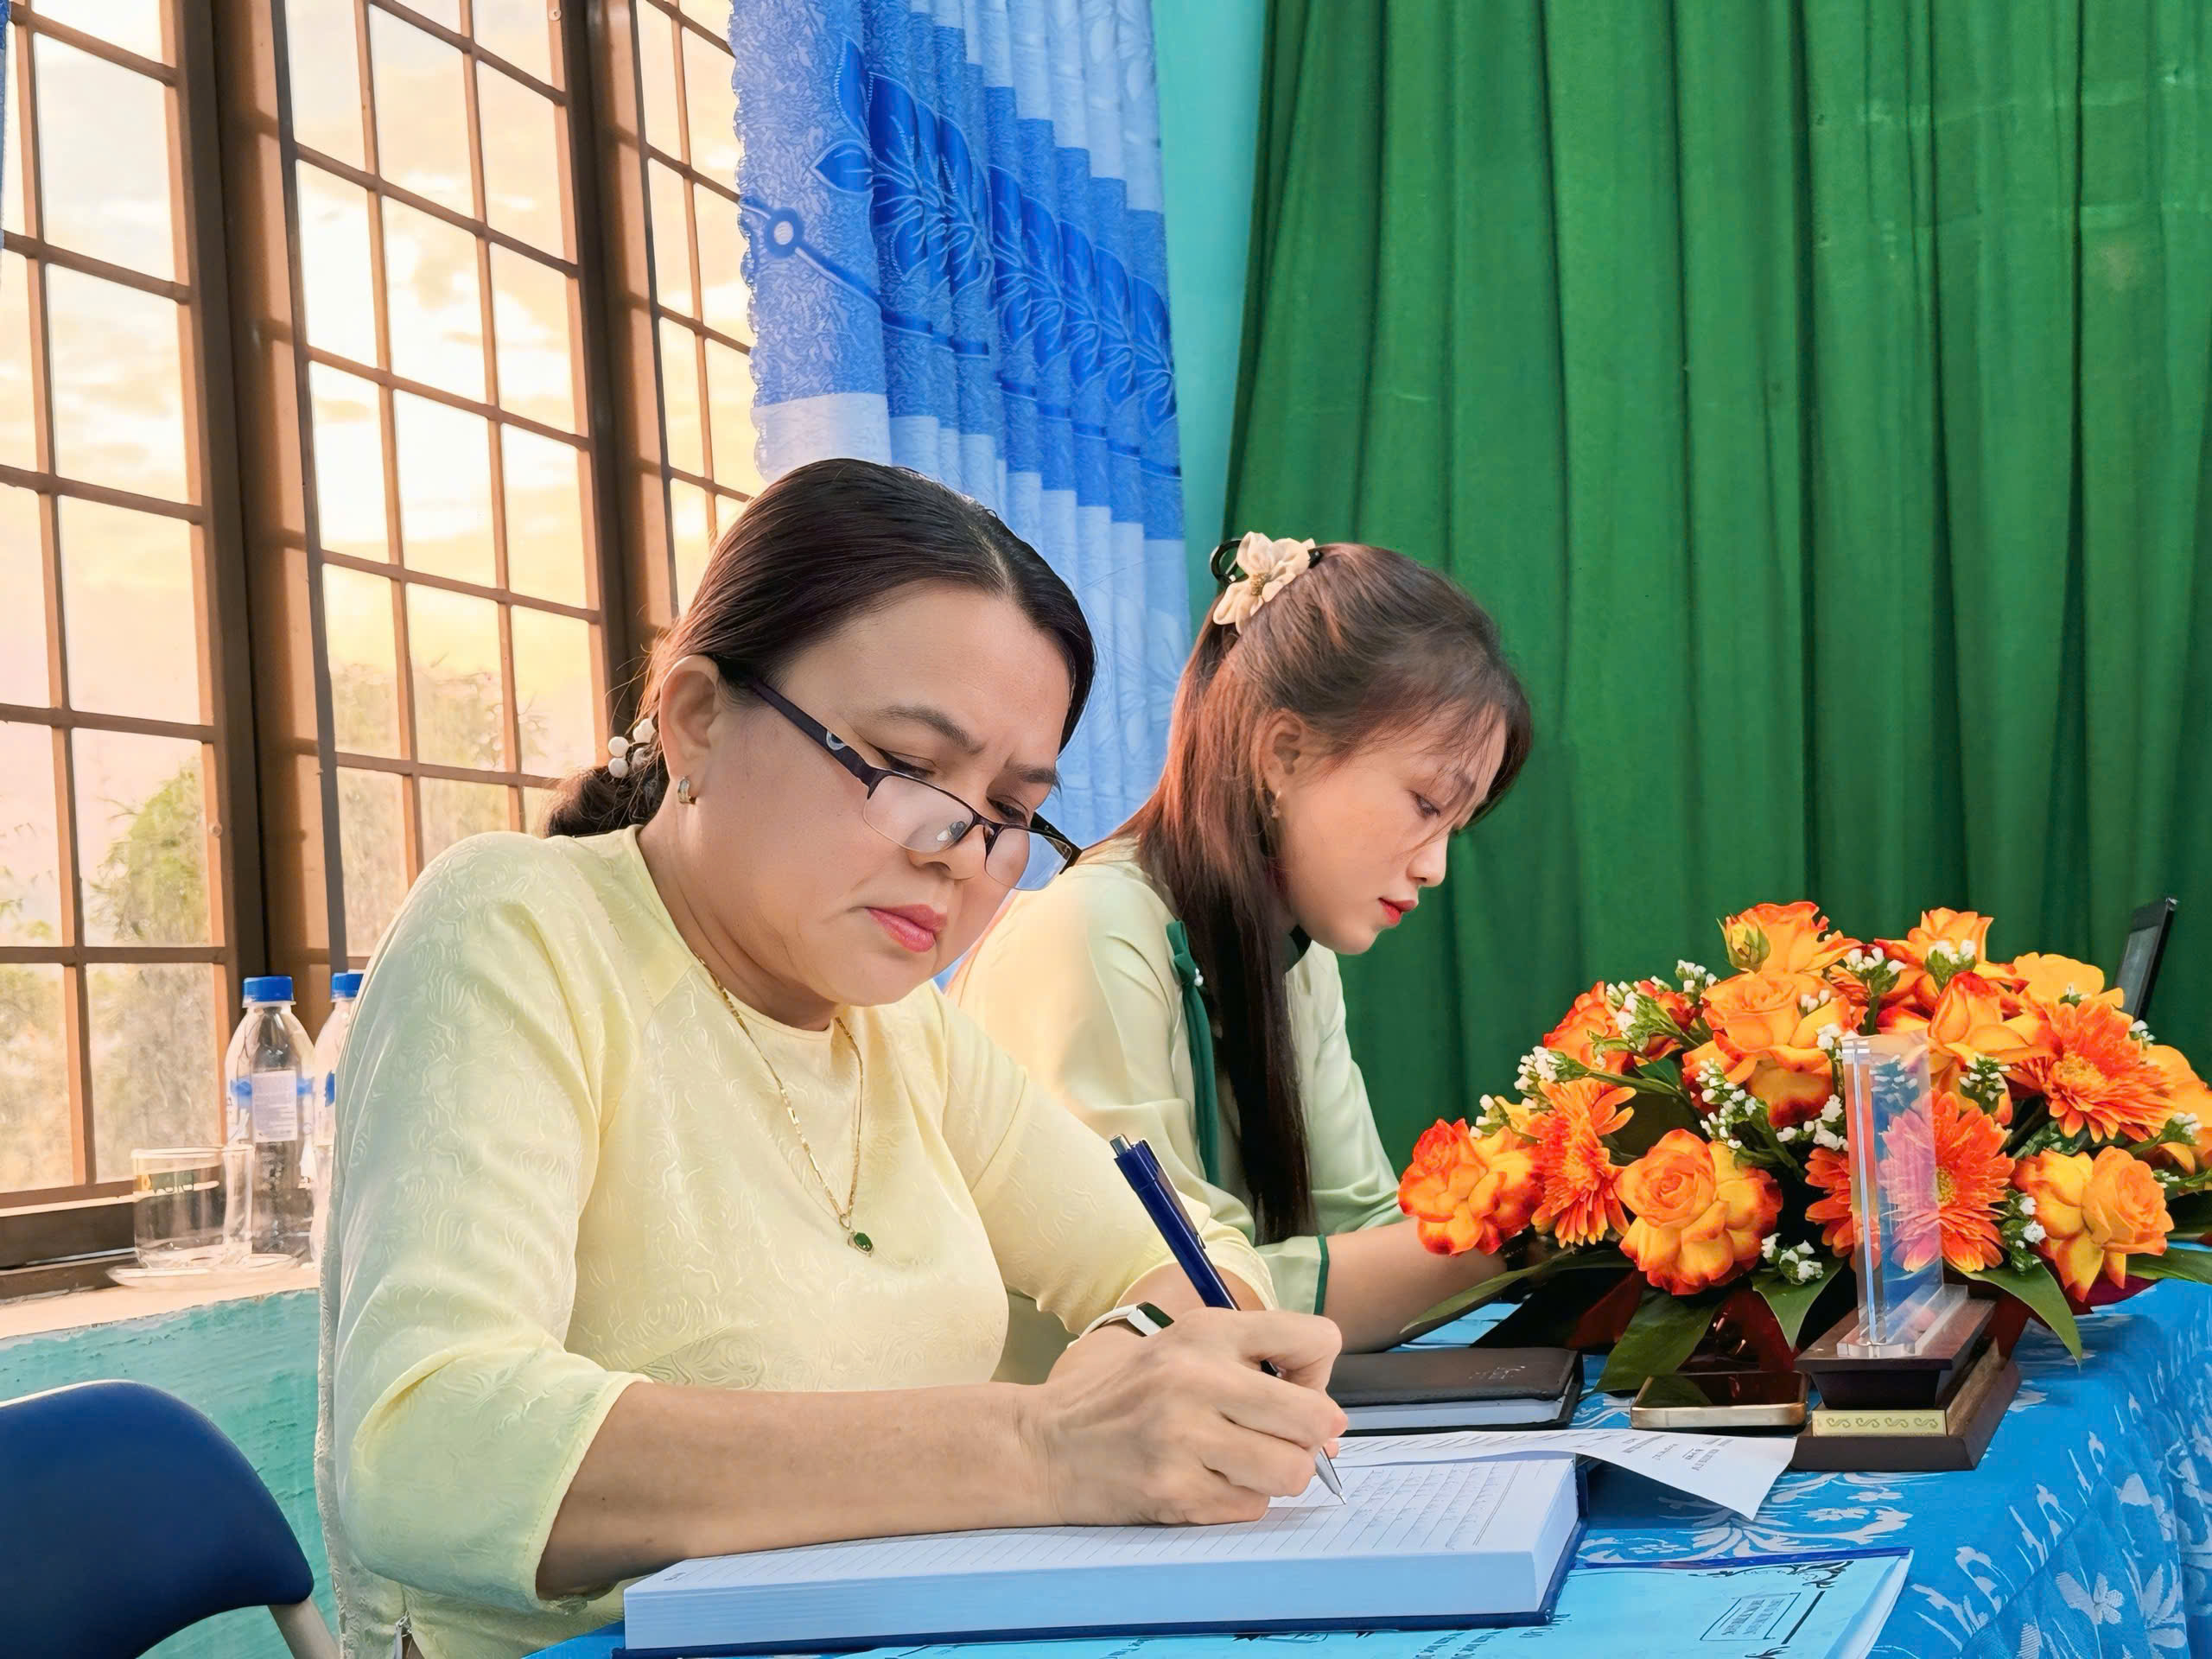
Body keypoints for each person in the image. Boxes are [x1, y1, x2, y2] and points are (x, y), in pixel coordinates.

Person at [315, 464, 1344, 1659]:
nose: (959, 851)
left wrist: (1129, 1371)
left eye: (1012, 810)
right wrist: (1043, 1447)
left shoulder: (904, 1028)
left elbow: (1199, 1258)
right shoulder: (518, 928)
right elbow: (426, 1444)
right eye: (908, 766)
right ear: (697, 718)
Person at [951, 534, 1531, 1380]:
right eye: (1425, 803)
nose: (1434, 865)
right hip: (1048, 1436)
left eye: (1456, 826)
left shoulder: (1296, 955)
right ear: (1283, 753)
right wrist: (1523, 1231)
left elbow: (1360, 1229)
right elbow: (1176, 1291)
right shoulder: (1090, 933)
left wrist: (1529, 1214)